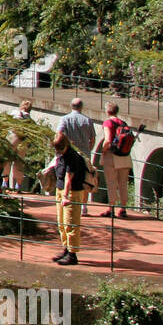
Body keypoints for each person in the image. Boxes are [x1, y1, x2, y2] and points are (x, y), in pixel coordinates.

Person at [49, 131, 89, 265]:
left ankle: (72, 254)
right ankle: (66, 249)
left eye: (60, 148)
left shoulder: (72, 156)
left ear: (65, 145)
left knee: (70, 223)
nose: (58, 151)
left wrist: (65, 196)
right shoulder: (62, 155)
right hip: (60, 190)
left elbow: (68, 178)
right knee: (61, 223)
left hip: (71, 193)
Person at [55, 98, 97, 216]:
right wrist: (89, 149)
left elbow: (59, 133)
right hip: (84, 154)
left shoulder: (65, 119)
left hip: (70, 153)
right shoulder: (88, 120)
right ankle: (83, 206)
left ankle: (67, 199)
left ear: (71, 106)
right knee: (85, 179)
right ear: (81, 107)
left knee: (68, 177)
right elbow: (92, 139)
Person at [98, 102, 133, 218]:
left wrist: (103, 150)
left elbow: (108, 140)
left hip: (112, 156)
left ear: (107, 111)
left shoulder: (108, 123)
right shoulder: (123, 123)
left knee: (111, 182)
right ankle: (123, 209)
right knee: (123, 183)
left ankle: (111, 208)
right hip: (124, 156)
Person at [1, 100, 33, 193]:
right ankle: (18, 185)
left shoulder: (15, 112)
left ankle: (5, 183)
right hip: (23, 141)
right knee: (19, 163)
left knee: (7, 160)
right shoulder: (29, 118)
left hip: (12, 139)